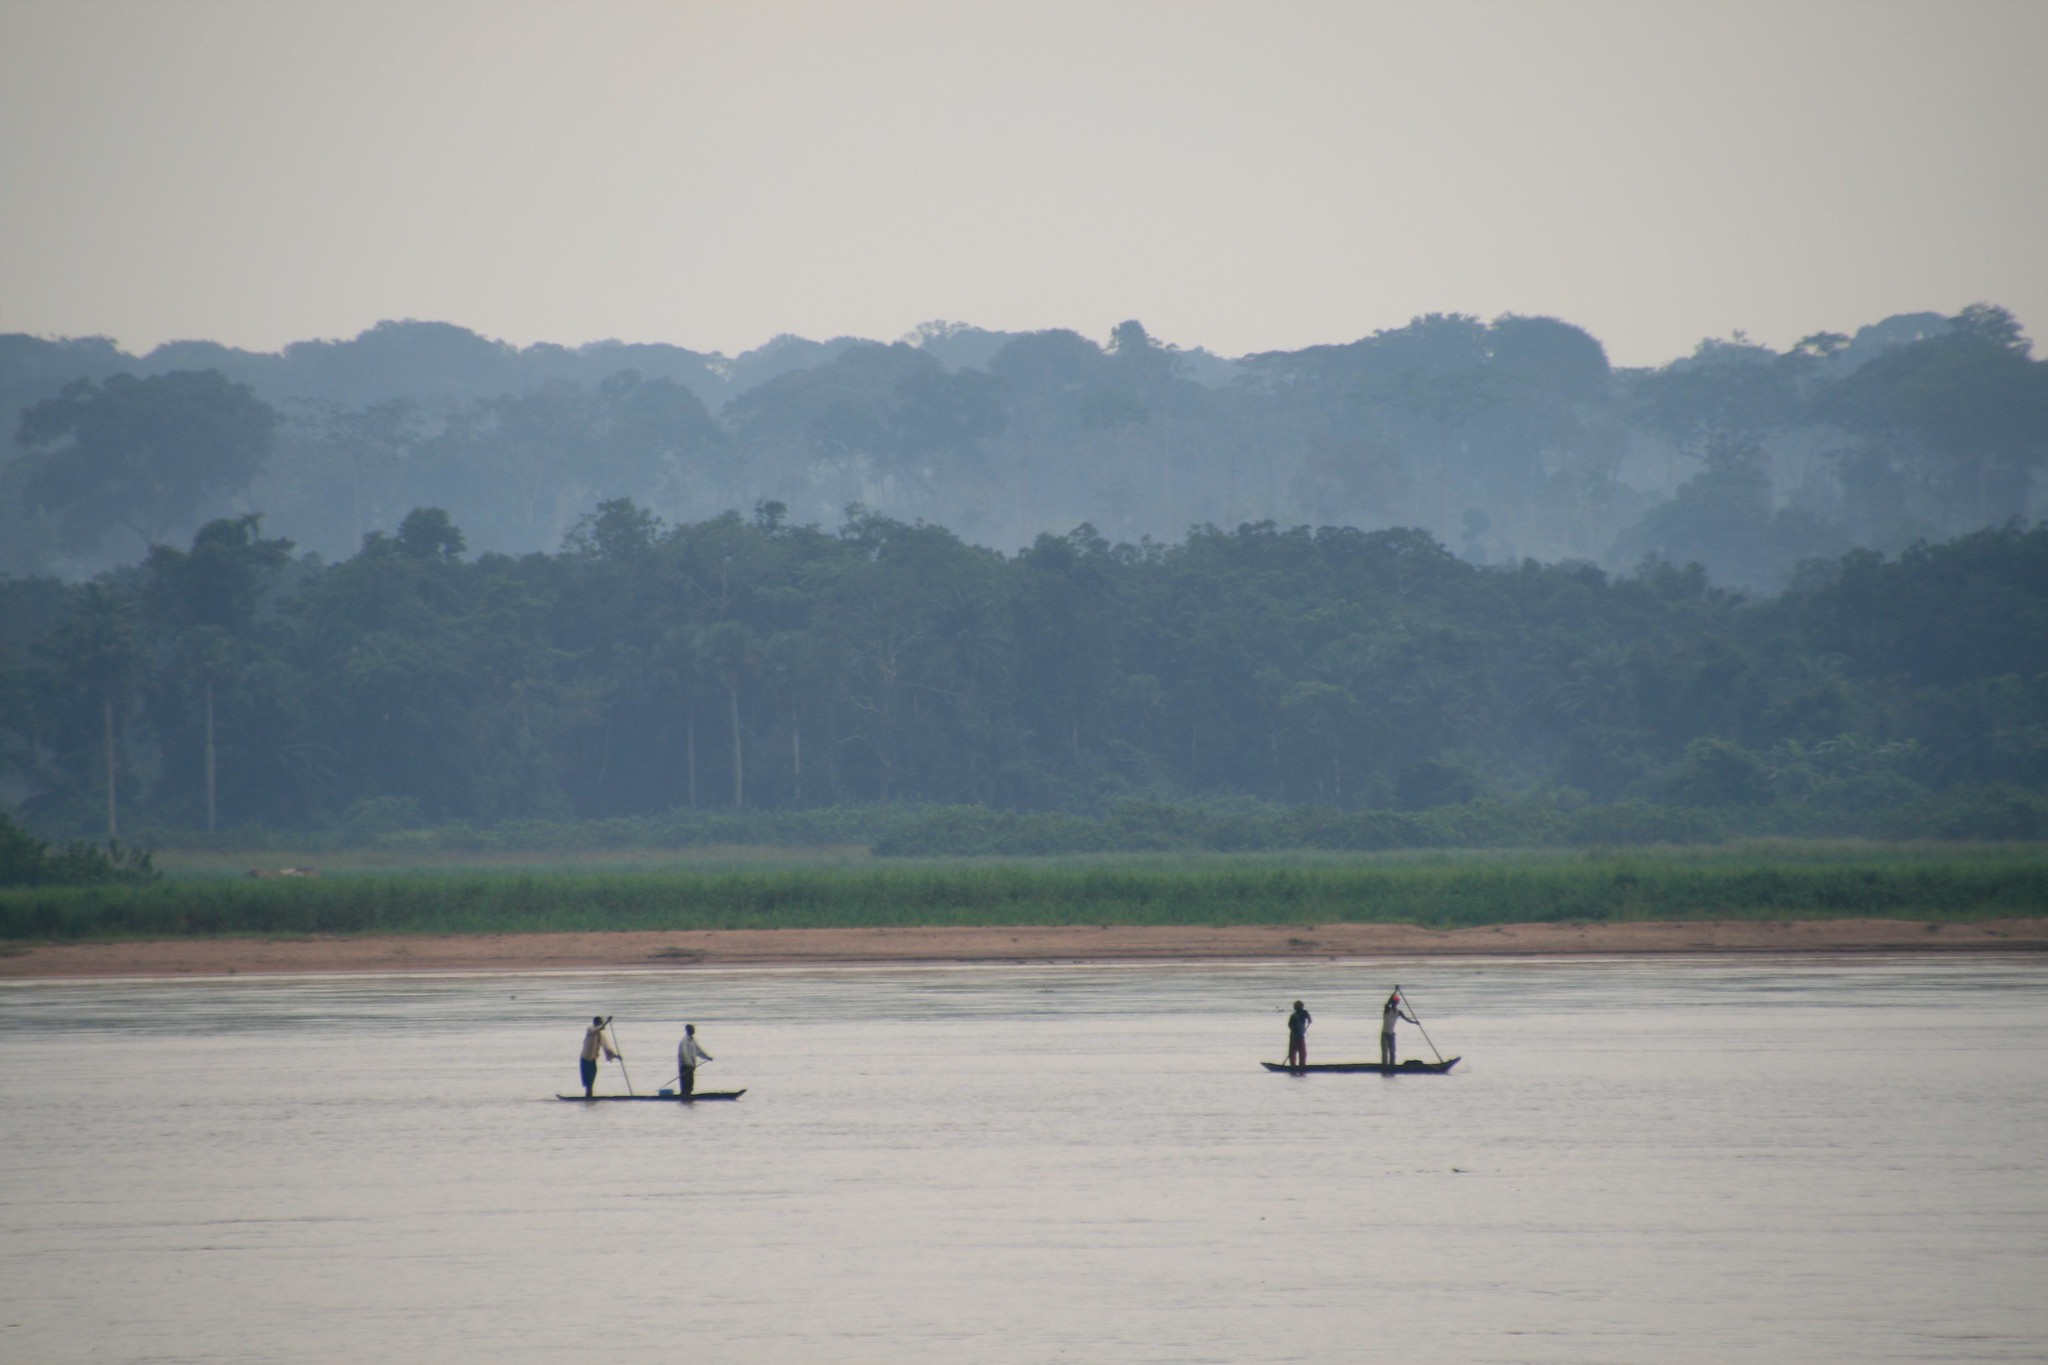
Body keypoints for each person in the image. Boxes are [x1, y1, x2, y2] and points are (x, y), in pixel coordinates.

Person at [579, 1016, 618, 1097]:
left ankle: (589, 1097)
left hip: (592, 1060)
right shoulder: (590, 1030)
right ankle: (588, 1096)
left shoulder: (601, 1035)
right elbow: (597, 1029)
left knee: (592, 1078)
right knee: (588, 1081)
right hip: (585, 1059)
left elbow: (607, 1047)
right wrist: (607, 1022)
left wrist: (616, 1056)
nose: (601, 1025)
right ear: (595, 1023)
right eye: (600, 1023)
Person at [1381, 988, 1418, 1067]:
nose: (1394, 1003)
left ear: (1397, 1003)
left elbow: (1406, 1019)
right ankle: (1384, 1067)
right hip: (1384, 1035)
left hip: (1391, 1035)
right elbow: (1388, 1001)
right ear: (1392, 1002)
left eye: (1396, 1002)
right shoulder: (1387, 1009)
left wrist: (1415, 1023)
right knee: (1385, 1052)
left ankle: (1392, 1066)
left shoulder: (1398, 1012)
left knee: (1393, 1052)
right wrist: (1395, 991)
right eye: (1393, 1002)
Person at [676, 1023, 713, 1097]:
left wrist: (707, 1057)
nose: (693, 1030)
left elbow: (698, 1051)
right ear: (687, 1030)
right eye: (692, 1029)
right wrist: (690, 1064)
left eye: (693, 1029)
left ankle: (688, 1096)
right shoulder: (684, 1041)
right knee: (685, 1082)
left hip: (691, 1066)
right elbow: (684, 1055)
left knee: (690, 1083)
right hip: (685, 1065)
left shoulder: (692, 1040)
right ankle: (684, 1095)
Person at [1286, 1000, 1312, 1071]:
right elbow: (1291, 1026)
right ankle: (1294, 1066)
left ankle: (1301, 1066)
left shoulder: (1304, 1013)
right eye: (1300, 1007)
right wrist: (1296, 1035)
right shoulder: (1293, 1017)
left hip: (1300, 1036)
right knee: (1293, 1052)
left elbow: (1310, 1019)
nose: (1301, 1008)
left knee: (1301, 1052)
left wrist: (1309, 1020)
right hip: (1294, 1036)